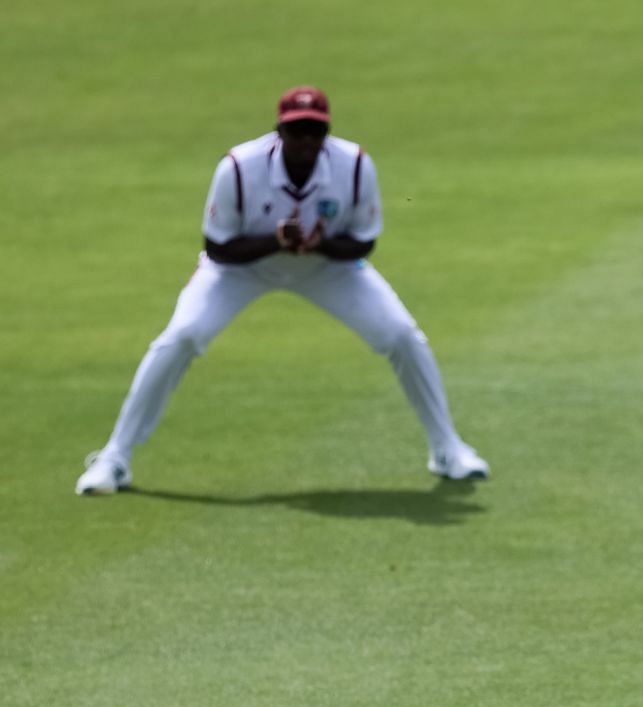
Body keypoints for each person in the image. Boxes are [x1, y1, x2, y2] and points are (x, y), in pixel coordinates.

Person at [75, 86, 488, 496]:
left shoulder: (355, 165)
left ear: (326, 134)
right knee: (181, 336)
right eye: (297, 130)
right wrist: (277, 241)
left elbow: (363, 242)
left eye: (315, 131)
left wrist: (318, 244)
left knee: (401, 335)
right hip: (241, 270)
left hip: (329, 268)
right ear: (279, 132)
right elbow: (217, 247)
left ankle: (447, 449)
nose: (306, 140)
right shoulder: (239, 167)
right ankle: (115, 458)